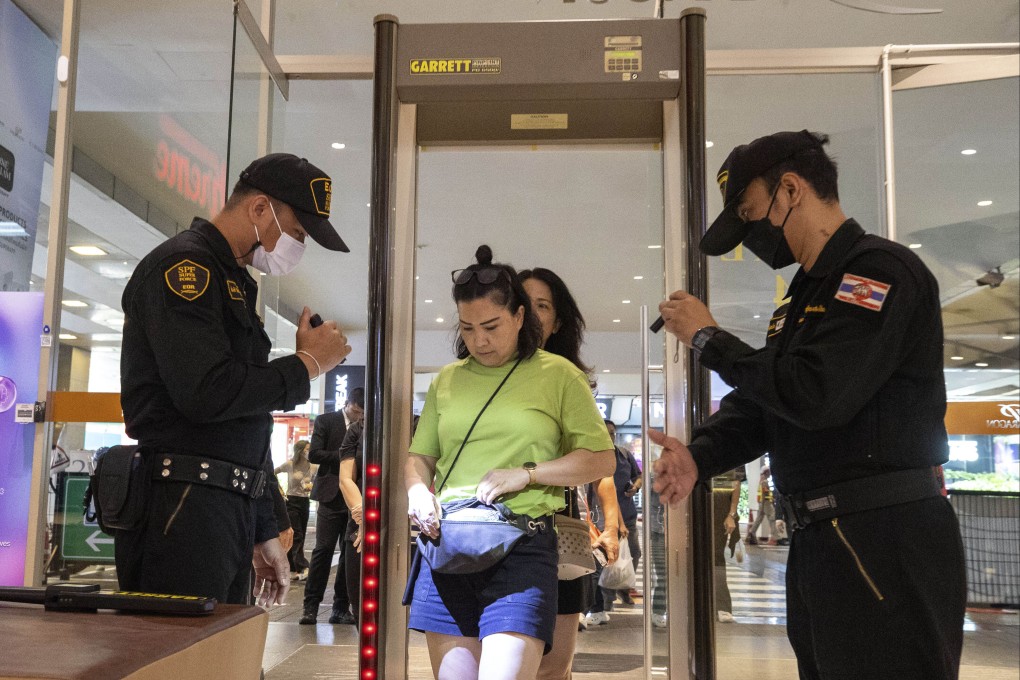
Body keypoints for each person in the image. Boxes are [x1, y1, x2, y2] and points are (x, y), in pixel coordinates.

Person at [650, 130, 966, 680]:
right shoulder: (801, 299)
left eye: (753, 216)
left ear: (791, 190)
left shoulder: (877, 274)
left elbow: (818, 394)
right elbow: (765, 405)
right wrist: (700, 455)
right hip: (823, 539)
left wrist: (709, 339)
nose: (753, 239)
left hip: (882, 536)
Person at [117, 152, 351, 607]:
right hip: (181, 504)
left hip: (222, 504)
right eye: (298, 232)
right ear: (260, 208)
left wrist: (262, 525)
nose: (298, 246)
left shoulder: (233, 280)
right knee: (180, 663)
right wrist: (306, 364)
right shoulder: (186, 268)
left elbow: (244, 419)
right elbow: (205, 392)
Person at [404, 245, 616, 680]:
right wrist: (416, 491)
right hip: (448, 545)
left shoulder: (558, 374)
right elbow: (420, 456)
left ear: (520, 317)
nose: (479, 340)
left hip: (523, 546)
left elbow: (600, 458)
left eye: (491, 326)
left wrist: (528, 474)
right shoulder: (447, 380)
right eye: (467, 328)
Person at [519, 267, 621, 679]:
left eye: (543, 305)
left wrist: (609, 524)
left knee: (554, 666)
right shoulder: (481, 377)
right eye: (524, 302)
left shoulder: (570, 380)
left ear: (558, 321)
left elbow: (599, 462)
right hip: (498, 532)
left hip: (561, 532)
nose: (531, 312)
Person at [301, 388, 364, 625]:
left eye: (362, 413)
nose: (358, 416)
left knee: (349, 555)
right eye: (355, 411)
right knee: (322, 551)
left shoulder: (365, 426)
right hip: (330, 495)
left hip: (355, 497)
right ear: (347, 404)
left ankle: (340, 608)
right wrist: (346, 456)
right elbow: (314, 454)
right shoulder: (327, 421)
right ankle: (310, 606)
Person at [599, 420, 642, 612]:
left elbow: (638, 476)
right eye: (606, 433)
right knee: (607, 558)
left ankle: (624, 588)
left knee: (634, 553)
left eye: (612, 433)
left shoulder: (624, 455)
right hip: (605, 518)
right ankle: (606, 599)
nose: (610, 437)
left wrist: (635, 487)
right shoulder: (597, 457)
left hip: (628, 515)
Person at [338, 418, 366, 621]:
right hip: (359, 523)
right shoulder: (357, 429)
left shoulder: (415, 424)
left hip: (407, 523)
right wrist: (362, 515)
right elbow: (345, 478)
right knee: (361, 604)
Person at [275, 439, 314, 578]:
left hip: (305, 501)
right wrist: (279, 490)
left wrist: (312, 486)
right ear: (300, 450)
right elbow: (273, 473)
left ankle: (293, 567)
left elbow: (319, 479)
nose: (308, 452)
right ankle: (302, 566)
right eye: (306, 449)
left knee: (301, 534)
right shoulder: (290, 465)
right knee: (296, 534)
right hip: (291, 501)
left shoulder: (312, 466)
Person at [713, 466, 745, 623]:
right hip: (697, 506)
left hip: (720, 511)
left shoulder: (730, 451)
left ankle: (722, 606)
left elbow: (735, 483)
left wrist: (731, 514)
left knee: (716, 557)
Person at [746, 465, 775, 545]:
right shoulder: (764, 481)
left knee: (759, 519)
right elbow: (765, 493)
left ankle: (752, 532)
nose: (770, 473)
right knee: (772, 518)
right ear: (766, 472)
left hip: (762, 503)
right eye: (769, 472)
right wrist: (771, 500)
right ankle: (775, 538)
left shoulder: (761, 480)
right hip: (766, 503)